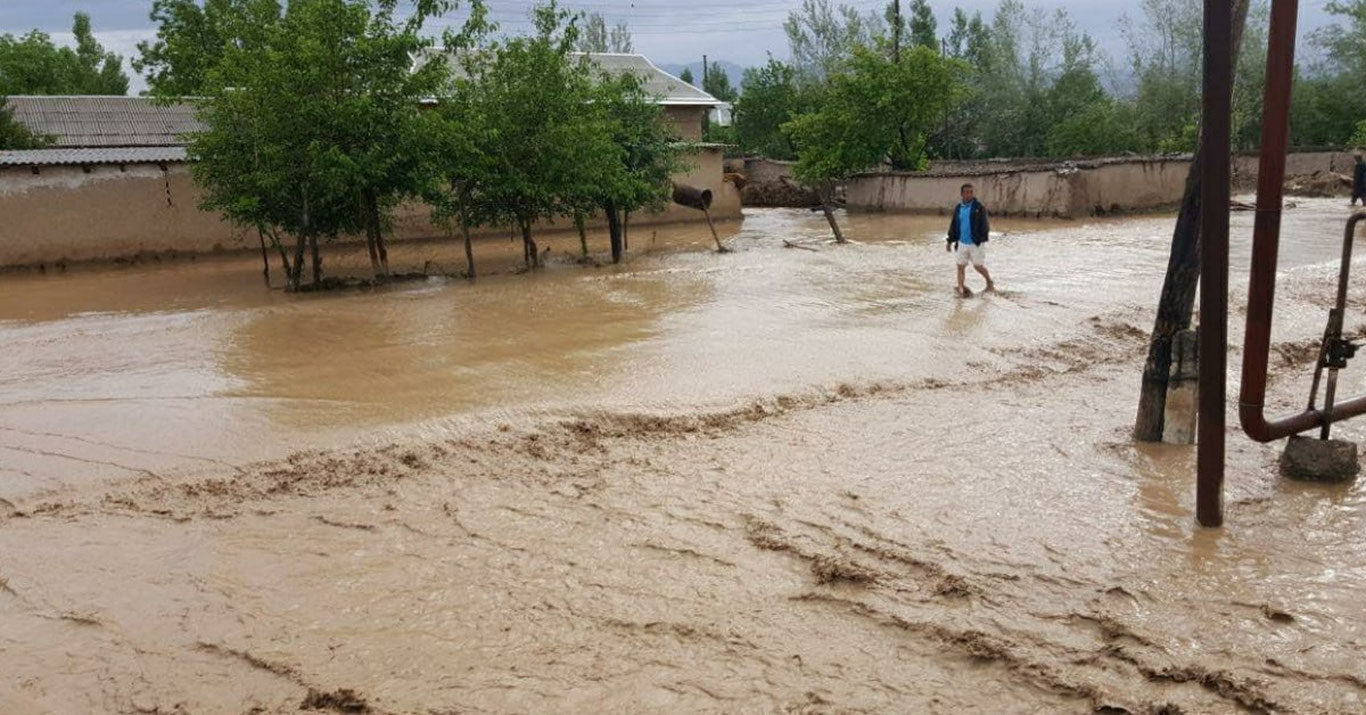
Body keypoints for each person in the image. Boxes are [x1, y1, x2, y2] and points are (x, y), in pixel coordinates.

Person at [946, 183, 995, 296]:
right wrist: (949, 241)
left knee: (978, 266)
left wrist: (981, 238)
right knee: (960, 266)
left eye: (971, 192)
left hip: (976, 243)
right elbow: (954, 225)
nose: (969, 194)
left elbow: (985, 225)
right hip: (962, 243)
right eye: (966, 192)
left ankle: (989, 281)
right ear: (962, 194)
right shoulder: (958, 208)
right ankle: (961, 289)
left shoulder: (979, 207)